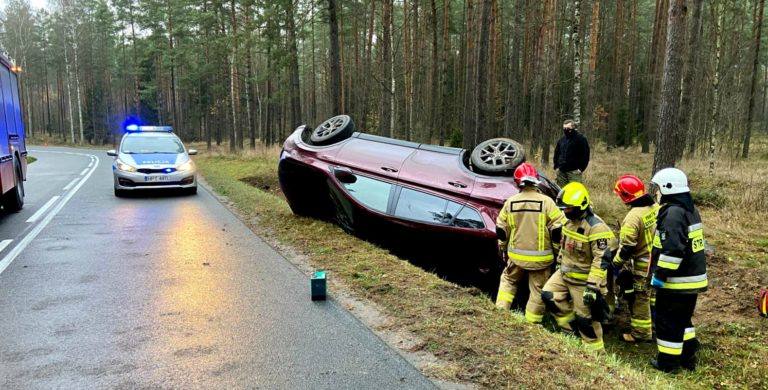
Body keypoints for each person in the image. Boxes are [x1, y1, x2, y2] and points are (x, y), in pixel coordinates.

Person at [541, 182, 616, 353]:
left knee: (586, 320)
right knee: (549, 295)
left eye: (568, 208)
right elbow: (564, 247)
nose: (565, 211)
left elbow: (601, 259)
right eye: (563, 208)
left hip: (584, 281)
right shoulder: (568, 222)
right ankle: (570, 330)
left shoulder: (596, 228)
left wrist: (593, 286)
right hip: (565, 274)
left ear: (581, 205)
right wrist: (559, 263)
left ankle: (596, 354)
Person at [648, 167, 708, 373]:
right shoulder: (689, 209)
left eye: (658, 188)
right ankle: (688, 355)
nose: (657, 193)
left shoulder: (673, 213)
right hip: (691, 280)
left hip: (676, 282)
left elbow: (673, 250)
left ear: (668, 188)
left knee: (667, 323)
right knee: (683, 320)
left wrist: (659, 275)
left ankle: (668, 364)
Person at [495, 163, 564, 325]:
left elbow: (501, 230)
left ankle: (499, 315)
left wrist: (503, 248)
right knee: (537, 292)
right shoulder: (547, 202)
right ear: (536, 181)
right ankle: (531, 325)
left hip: (515, 258)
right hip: (541, 260)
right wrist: (556, 252)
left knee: (508, 282)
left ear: (517, 182)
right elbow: (558, 230)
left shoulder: (510, 202)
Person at [611, 175, 660, 343]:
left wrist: (615, 264)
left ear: (626, 196)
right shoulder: (656, 207)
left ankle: (641, 333)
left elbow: (627, 247)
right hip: (658, 262)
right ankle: (656, 324)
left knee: (641, 297)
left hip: (643, 266)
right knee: (654, 296)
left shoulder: (633, 218)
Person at [553, 120, 590, 187]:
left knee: (575, 190)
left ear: (573, 128)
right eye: (564, 128)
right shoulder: (562, 140)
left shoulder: (581, 139)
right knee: (561, 191)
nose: (566, 130)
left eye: (568, 128)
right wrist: (556, 166)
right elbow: (556, 153)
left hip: (574, 172)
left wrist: (581, 169)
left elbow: (586, 155)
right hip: (561, 172)